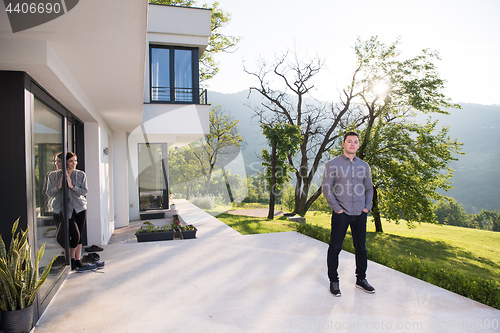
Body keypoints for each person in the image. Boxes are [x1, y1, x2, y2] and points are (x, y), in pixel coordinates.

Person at [322, 131, 375, 296]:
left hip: (360, 212)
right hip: (342, 213)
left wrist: (367, 207)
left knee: (362, 248)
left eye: (356, 142)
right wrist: (337, 209)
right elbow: (326, 188)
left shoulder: (364, 166)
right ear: (343, 144)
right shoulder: (332, 164)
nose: (353, 144)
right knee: (335, 248)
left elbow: (369, 188)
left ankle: (361, 279)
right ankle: (334, 281)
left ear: (358, 145)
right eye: (349, 141)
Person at [45, 152, 92, 271]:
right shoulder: (53, 176)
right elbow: (49, 193)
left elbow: (84, 191)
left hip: (79, 208)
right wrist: (59, 187)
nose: (74, 163)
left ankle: (77, 260)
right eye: (71, 161)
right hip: (61, 210)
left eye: (75, 161)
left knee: (78, 236)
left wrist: (72, 186)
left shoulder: (80, 174)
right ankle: (69, 259)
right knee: (66, 236)